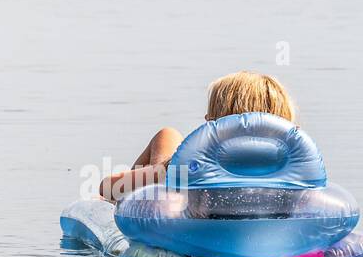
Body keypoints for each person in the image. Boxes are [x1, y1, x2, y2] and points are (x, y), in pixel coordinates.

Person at [99, 71, 298, 203]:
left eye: (209, 118)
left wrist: (169, 166)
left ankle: (126, 205)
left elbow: (108, 187)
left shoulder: (193, 165)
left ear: (214, 123)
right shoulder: (294, 166)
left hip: (189, 228)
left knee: (166, 135)